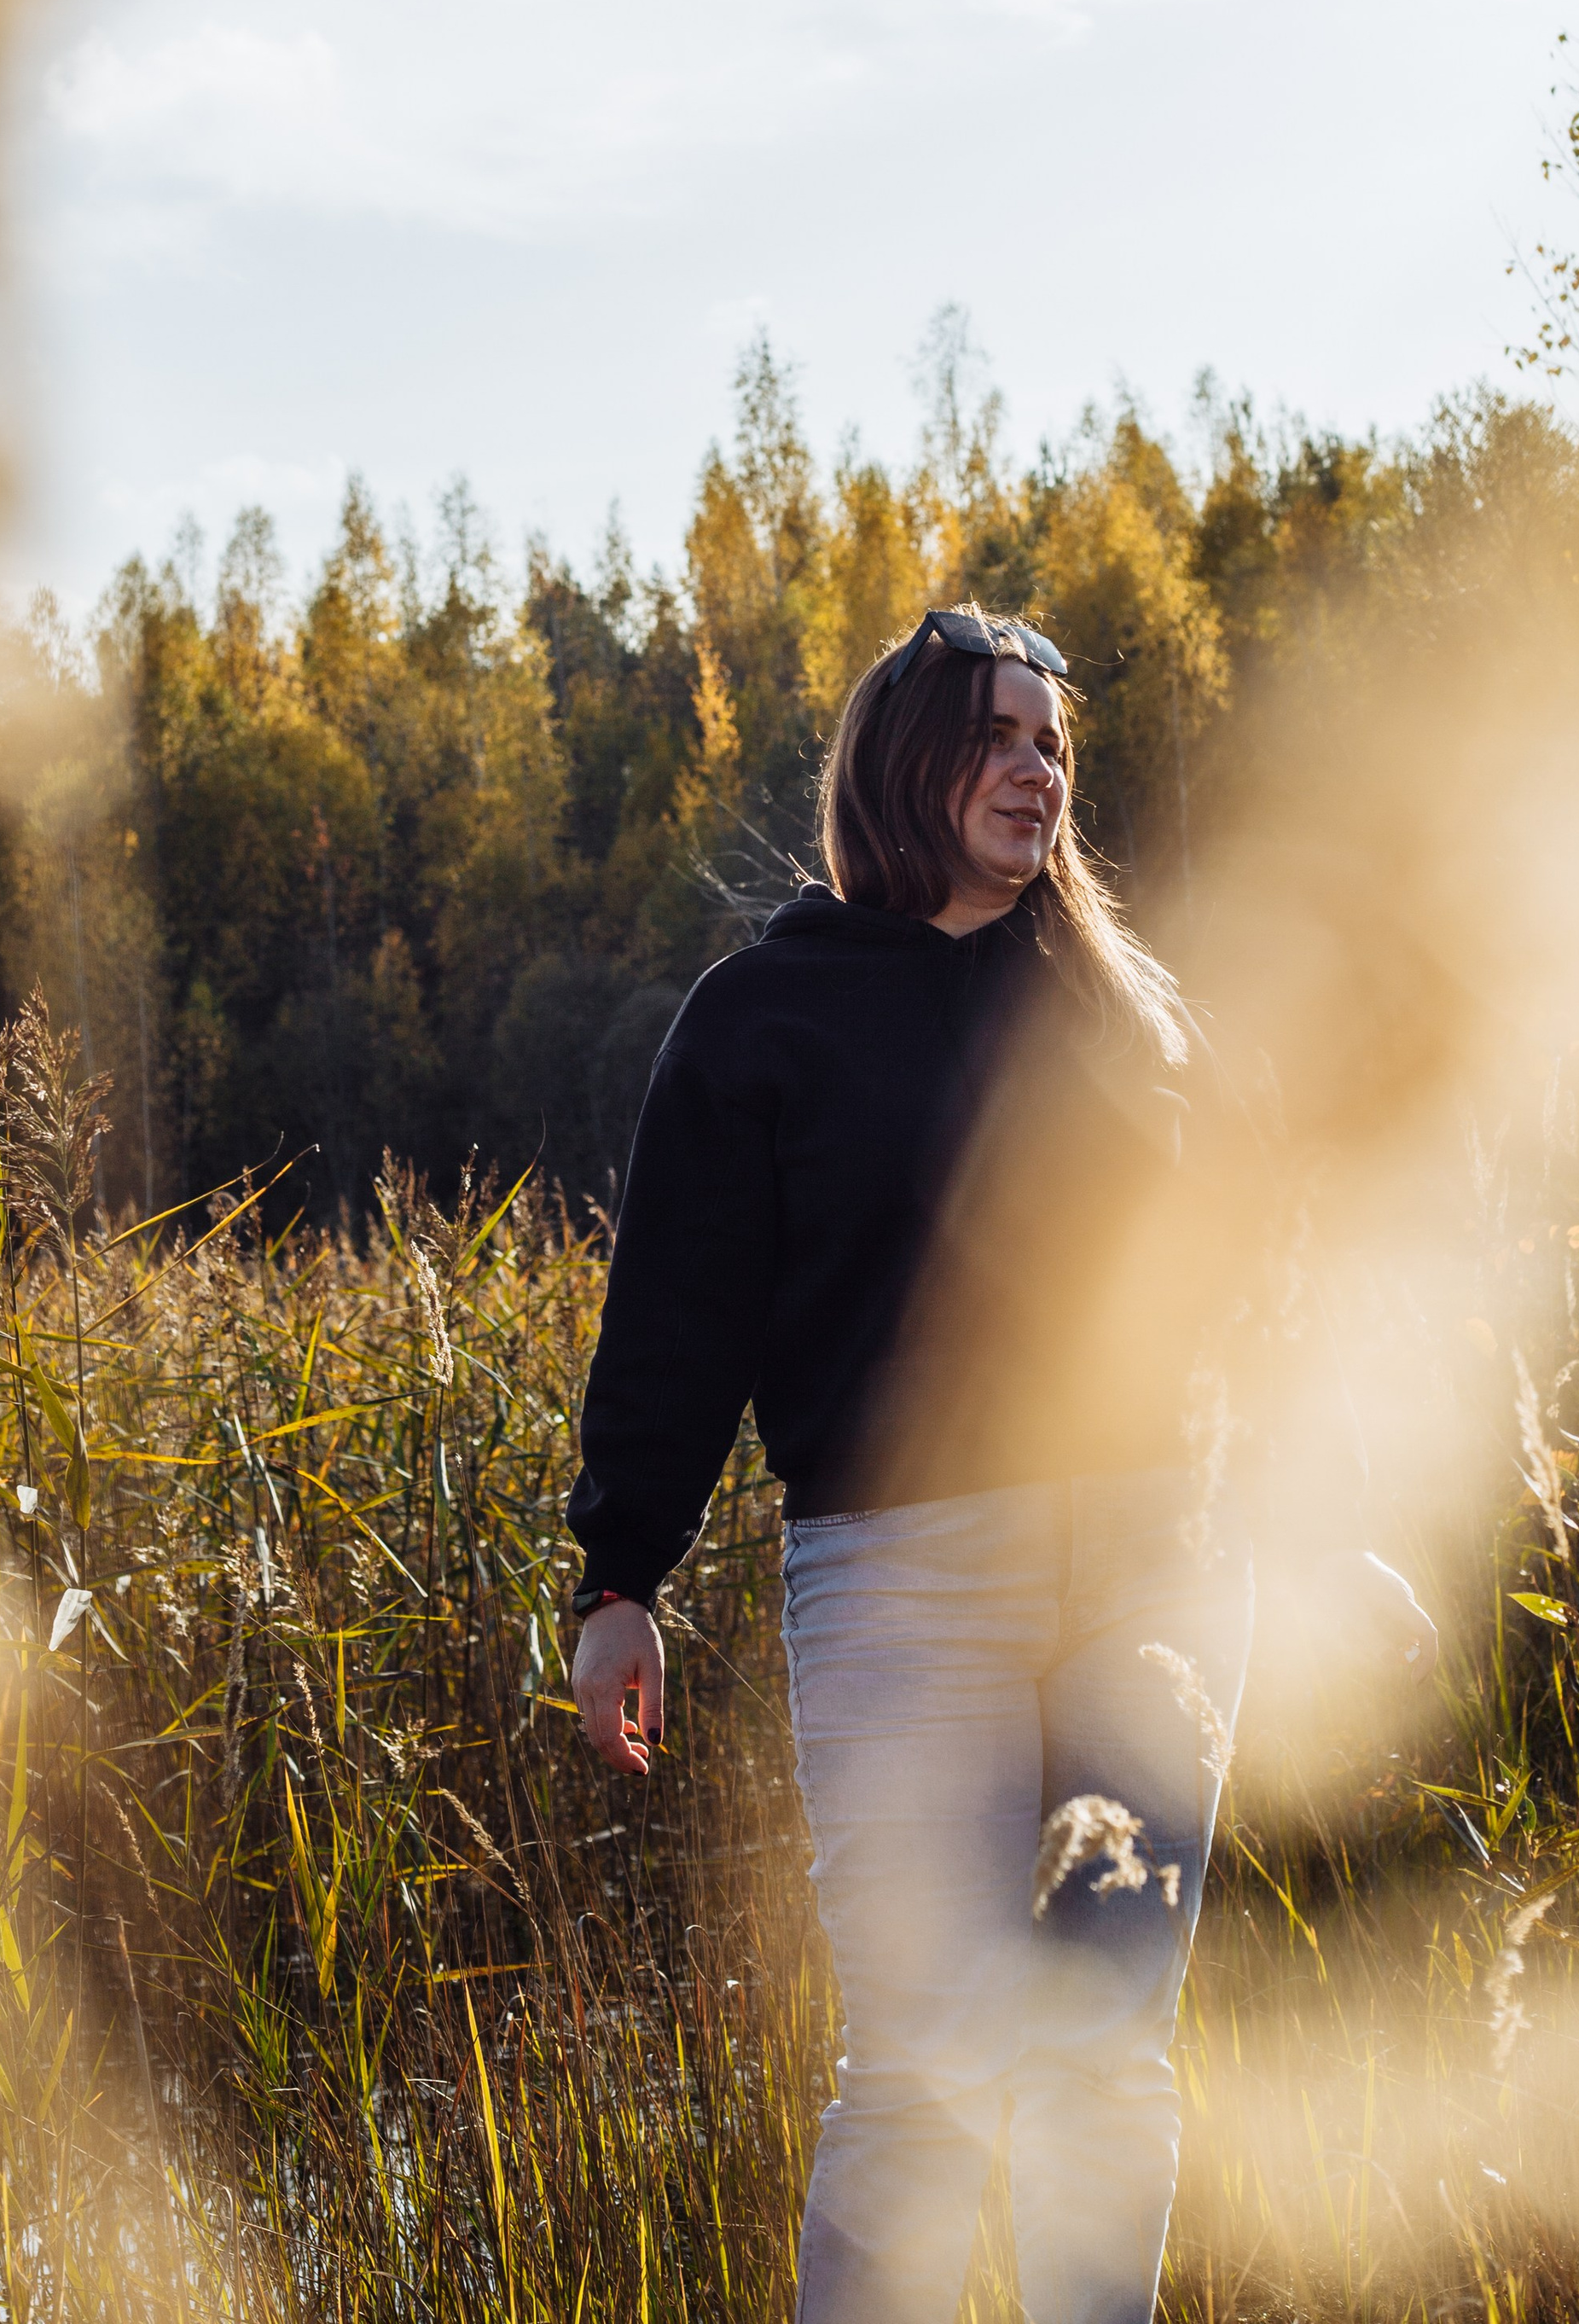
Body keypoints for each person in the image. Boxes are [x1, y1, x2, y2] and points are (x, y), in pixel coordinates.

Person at [567, 607, 1437, 2324]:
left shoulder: (1128, 1018)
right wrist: (620, 1576)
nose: (1032, 771)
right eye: (993, 735)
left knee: (1105, 2065)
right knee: (924, 2072)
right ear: (901, 767)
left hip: (1157, 1579)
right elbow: (677, 1317)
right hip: (904, 1589)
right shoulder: (761, 1020)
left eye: (1050, 743)